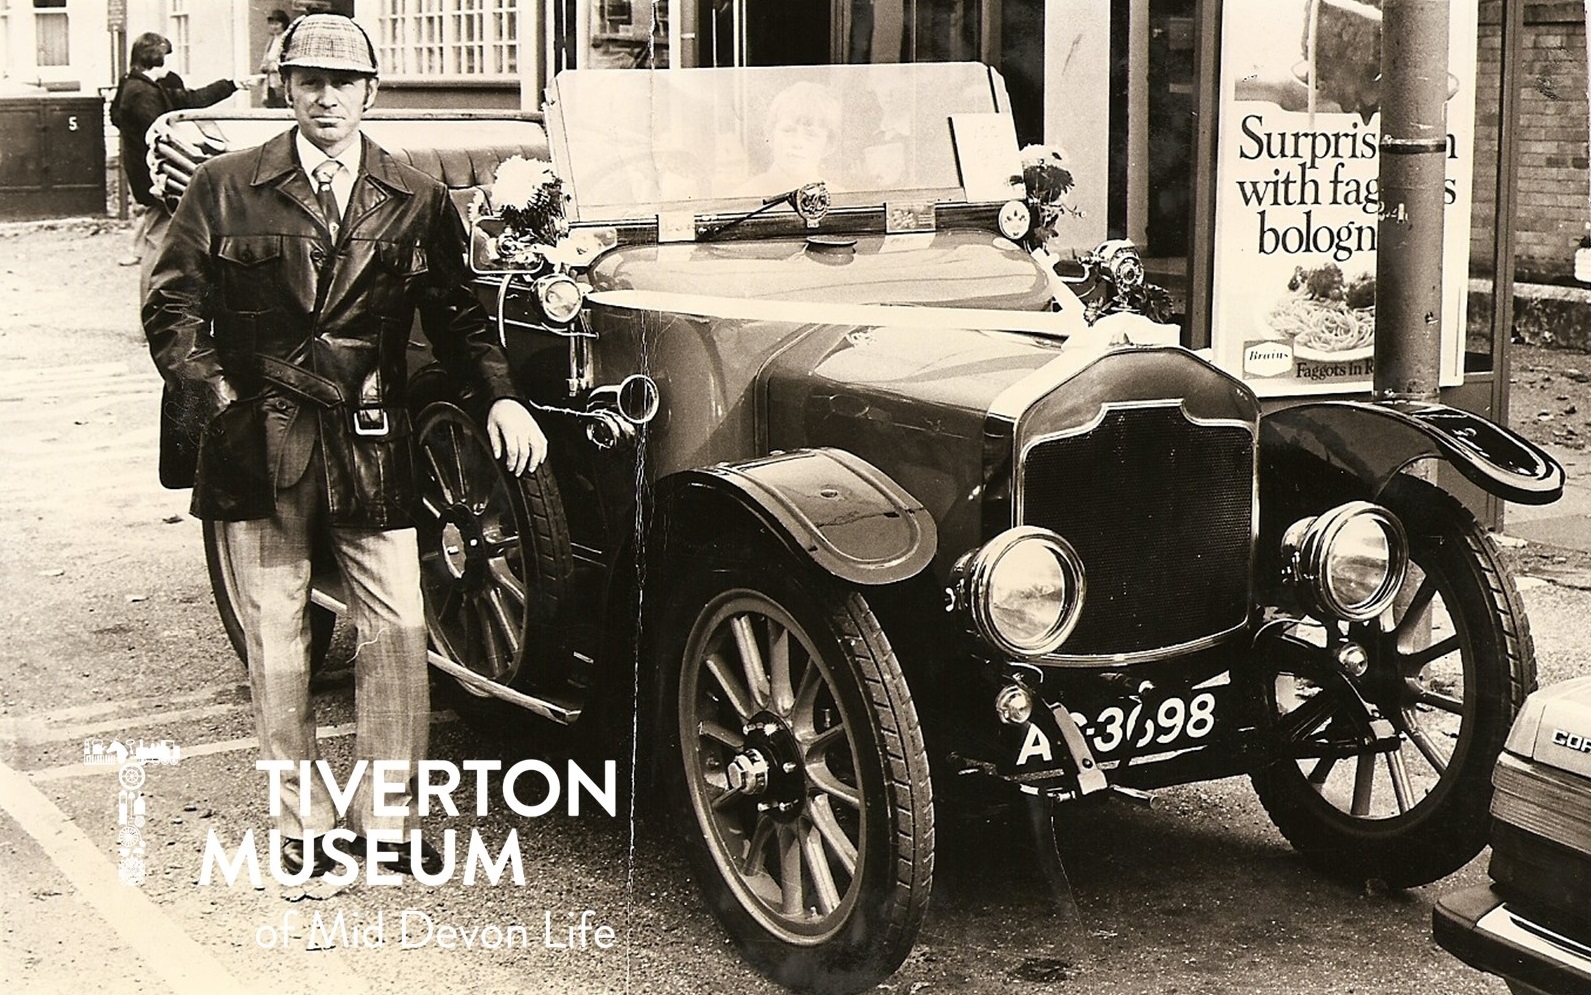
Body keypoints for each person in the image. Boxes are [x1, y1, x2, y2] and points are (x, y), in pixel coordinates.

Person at [143, 13, 548, 877]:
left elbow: (460, 316)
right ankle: (301, 828)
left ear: (372, 91)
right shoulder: (224, 184)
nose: (325, 96)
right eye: (308, 80)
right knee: (278, 636)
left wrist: (503, 400)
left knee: (401, 626)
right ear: (283, 88)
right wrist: (222, 405)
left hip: (370, 437)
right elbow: (172, 308)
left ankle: (388, 824)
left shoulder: (412, 196)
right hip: (262, 436)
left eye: (343, 81)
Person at [109, 32, 253, 289]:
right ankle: (153, 309)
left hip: (148, 174)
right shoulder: (143, 93)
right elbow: (160, 133)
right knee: (158, 244)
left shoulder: (136, 84)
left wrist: (233, 84)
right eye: (168, 57)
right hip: (156, 176)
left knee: (156, 240)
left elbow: (190, 100)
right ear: (157, 59)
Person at [260, 9, 290, 108]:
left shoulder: (287, 39)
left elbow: (287, 58)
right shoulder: (272, 39)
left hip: (281, 80)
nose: (274, 27)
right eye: (271, 24)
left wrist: (275, 67)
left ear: (283, 23)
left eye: (277, 23)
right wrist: (264, 65)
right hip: (270, 80)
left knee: (282, 103)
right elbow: (267, 56)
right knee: (270, 103)